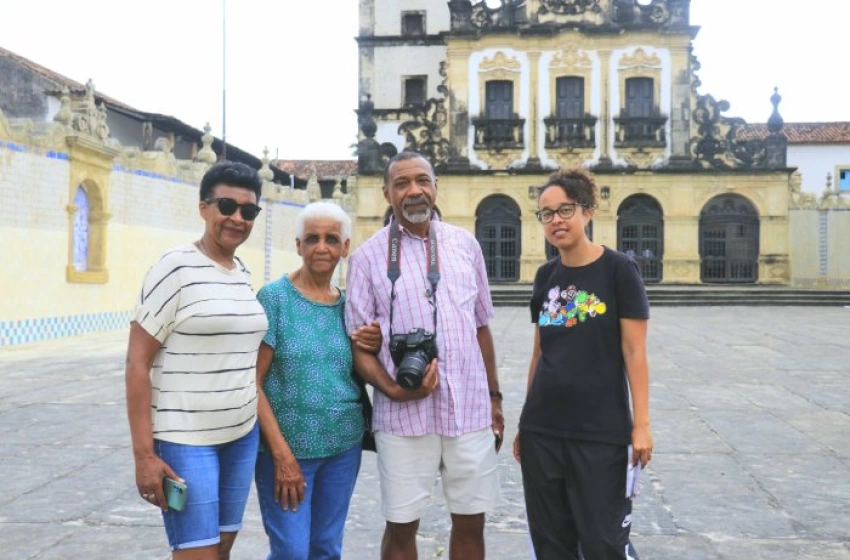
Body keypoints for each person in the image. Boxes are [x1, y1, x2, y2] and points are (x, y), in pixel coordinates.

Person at [344, 151, 504, 560]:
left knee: (471, 522)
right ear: (387, 193)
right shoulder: (366, 258)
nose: (413, 190)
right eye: (401, 183)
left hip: (469, 410)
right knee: (401, 526)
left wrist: (495, 399)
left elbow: (481, 327)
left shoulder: (465, 246)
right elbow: (359, 349)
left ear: (435, 186)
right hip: (402, 419)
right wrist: (394, 390)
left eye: (422, 180)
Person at [125, 161, 268, 559]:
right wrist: (144, 456)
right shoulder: (174, 267)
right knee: (197, 553)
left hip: (241, 436)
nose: (237, 218)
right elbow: (137, 364)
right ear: (204, 208)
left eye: (248, 210)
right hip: (185, 440)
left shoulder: (242, 271)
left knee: (221, 548)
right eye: (227, 206)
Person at [513, 168, 653, 560]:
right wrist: (525, 421)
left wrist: (641, 424)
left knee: (603, 543)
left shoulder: (618, 270)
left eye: (565, 210)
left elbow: (635, 352)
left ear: (587, 211)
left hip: (600, 433)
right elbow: (540, 352)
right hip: (543, 430)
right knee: (552, 544)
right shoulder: (546, 276)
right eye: (547, 213)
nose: (555, 220)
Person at [253, 201, 380, 560]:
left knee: (325, 547)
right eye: (312, 239)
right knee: (291, 551)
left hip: (343, 448)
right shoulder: (274, 299)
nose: (321, 247)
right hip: (285, 450)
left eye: (331, 239)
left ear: (345, 247)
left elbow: (363, 367)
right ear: (298, 245)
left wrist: (377, 342)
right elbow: (252, 382)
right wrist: (282, 456)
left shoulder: (350, 307)